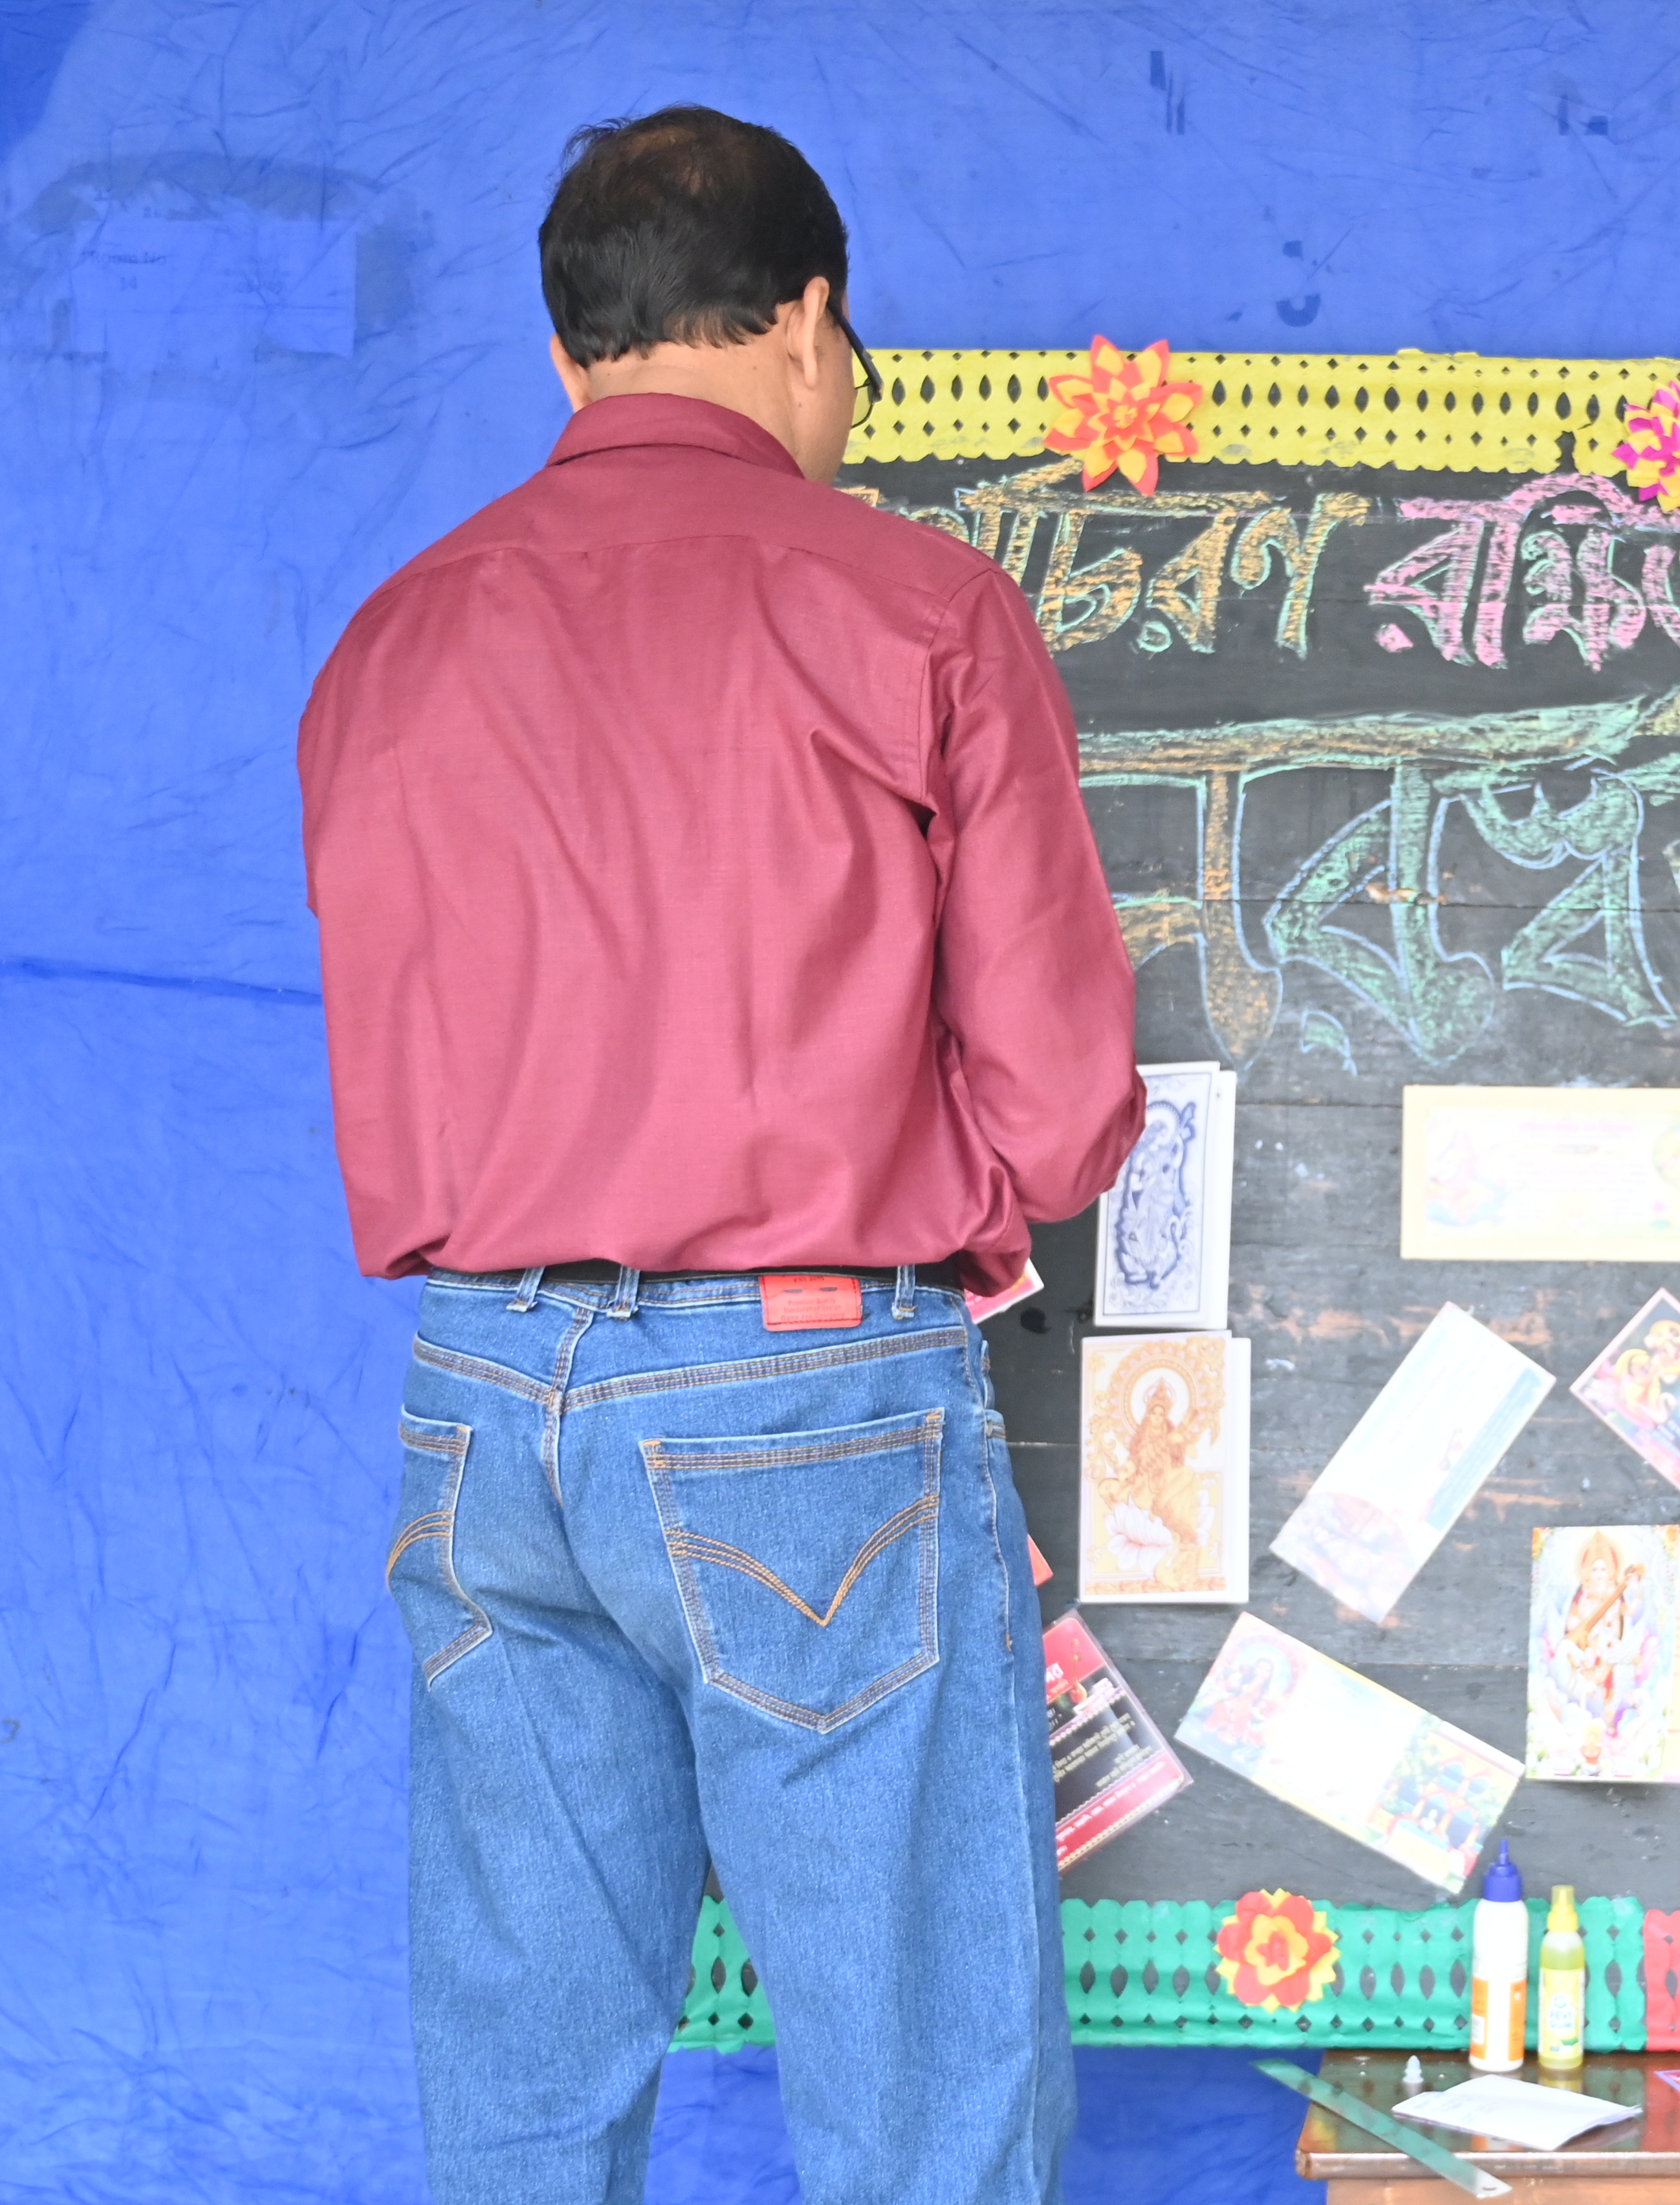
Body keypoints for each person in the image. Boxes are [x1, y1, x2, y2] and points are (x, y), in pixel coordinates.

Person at [297, 107, 1144, 2205]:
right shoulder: (922, 612)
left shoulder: (392, 641)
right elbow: (1061, 1113)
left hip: (487, 1409)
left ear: (570, 352)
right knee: (922, 2105)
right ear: (811, 327)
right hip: (812, 1403)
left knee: (523, 2091)